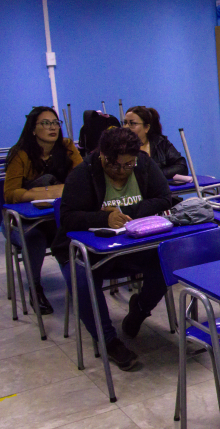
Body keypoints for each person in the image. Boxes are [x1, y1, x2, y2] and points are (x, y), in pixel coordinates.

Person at [51, 127, 172, 371]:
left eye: (128, 165)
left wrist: (129, 214)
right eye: (114, 165)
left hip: (131, 246)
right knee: (82, 278)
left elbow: (164, 198)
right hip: (87, 251)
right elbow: (67, 217)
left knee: (167, 263)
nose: (121, 171)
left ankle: (138, 311)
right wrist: (102, 219)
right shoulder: (84, 173)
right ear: (102, 156)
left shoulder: (144, 164)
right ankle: (108, 340)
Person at [3, 107, 83, 315]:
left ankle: (82, 284)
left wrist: (53, 190)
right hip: (19, 221)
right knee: (34, 236)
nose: (52, 128)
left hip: (54, 217)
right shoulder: (20, 154)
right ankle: (35, 288)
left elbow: (82, 181)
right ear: (33, 129)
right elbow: (10, 194)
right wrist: (45, 192)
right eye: (45, 123)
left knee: (77, 227)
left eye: (55, 123)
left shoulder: (67, 147)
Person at [123, 106, 188, 179]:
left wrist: (154, 175)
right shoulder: (120, 147)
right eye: (125, 123)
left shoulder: (161, 143)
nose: (126, 127)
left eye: (132, 123)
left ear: (146, 128)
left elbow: (182, 167)